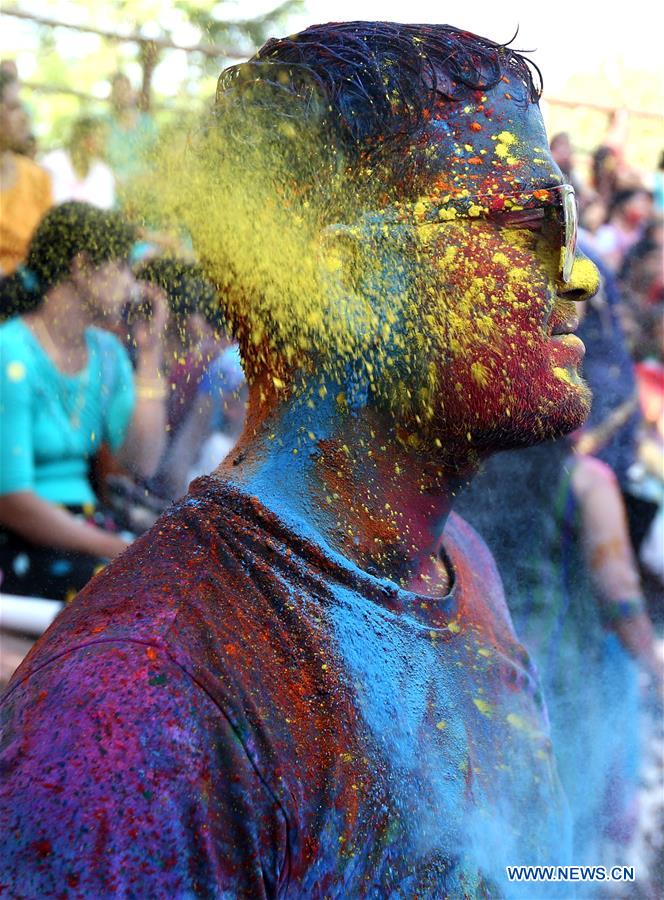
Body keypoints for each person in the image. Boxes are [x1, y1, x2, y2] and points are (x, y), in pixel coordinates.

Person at [0, 23, 600, 896]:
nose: (577, 275)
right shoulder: (141, 707)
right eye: (536, 223)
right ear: (352, 280)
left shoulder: (454, 560)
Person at [0, 202, 168, 601]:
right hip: (21, 542)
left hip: (88, 532)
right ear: (81, 266)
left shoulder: (108, 353)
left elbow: (139, 461)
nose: (133, 286)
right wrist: (113, 548)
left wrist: (149, 354)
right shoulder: (10, 353)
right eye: (123, 267)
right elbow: (10, 500)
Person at [0, 72, 52, 278]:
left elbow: (48, 247)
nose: (24, 117)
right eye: (13, 108)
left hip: (29, 291)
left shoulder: (37, 177)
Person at [41, 116, 115, 209]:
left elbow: (104, 212)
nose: (102, 144)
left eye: (104, 139)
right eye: (99, 137)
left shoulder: (103, 174)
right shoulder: (53, 162)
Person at [103, 72, 157, 196]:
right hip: (112, 189)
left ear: (134, 93)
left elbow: (156, 158)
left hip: (144, 188)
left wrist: (143, 179)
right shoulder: (105, 125)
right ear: (112, 96)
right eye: (117, 90)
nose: (122, 94)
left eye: (126, 89)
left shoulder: (148, 124)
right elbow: (98, 158)